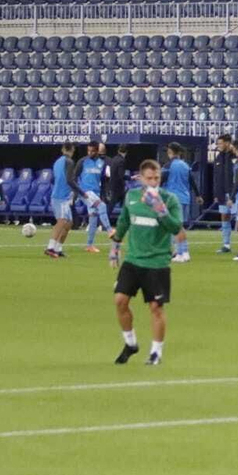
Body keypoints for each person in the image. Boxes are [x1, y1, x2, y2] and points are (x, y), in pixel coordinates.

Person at [108, 158, 182, 365]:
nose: (153, 182)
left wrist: (160, 210)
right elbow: (123, 221)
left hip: (157, 262)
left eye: (157, 178)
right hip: (133, 260)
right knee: (120, 300)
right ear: (141, 178)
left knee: (156, 307)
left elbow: (176, 228)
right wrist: (115, 247)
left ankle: (156, 352)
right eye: (149, 178)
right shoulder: (131, 197)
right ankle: (130, 343)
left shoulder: (169, 199)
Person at [44, 142, 83, 259]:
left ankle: (58, 249)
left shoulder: (57, 162)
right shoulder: (69, 162)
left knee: (69, 223)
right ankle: (50, 247)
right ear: (72, 150)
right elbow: (70, 180)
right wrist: (81, 192)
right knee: (62, 221)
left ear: (62, 149)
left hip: (61, 195)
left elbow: (53, 179)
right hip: (60, 196)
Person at [163, 142, 195, 264]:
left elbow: (161, 178)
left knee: (175, 227)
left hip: (173, 198)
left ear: (170, 151)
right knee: (179, 226)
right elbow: (191, 180)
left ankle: (181, 252)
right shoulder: (186, 165)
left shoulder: (169, 165)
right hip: (185, 197)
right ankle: (183, 252)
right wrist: (197, 195)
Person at [78, 141, 111, 253]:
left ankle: (89, 245)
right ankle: (110, 230)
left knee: (93, 218)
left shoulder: (102, 163)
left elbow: (107, 178)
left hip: (95, 192)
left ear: (97, 151)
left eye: (92, 151)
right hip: (85, 192)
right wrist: (75, 192)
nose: (90, 153)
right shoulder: (83, 161)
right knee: (102, 206)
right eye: (88, 150)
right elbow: (73, 176)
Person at [212, 134, 236, 254]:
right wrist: (216, 193)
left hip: (234, 193)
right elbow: (216, 177)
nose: (219, 146)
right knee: (224, 217)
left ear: (227, 143)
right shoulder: (219, 157)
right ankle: (226, 244)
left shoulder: (235, 156)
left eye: (220, 143)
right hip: (222, 193)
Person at [105, 144, 129, 219]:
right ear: (126, 152)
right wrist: (131, 177)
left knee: (113, 206)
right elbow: (121, 175)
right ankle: (103, 224)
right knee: (111, 206)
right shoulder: (121, 161)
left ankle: (103, 224)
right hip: (118, 188)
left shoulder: (113, 159)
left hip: (112, 186)